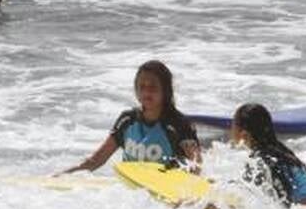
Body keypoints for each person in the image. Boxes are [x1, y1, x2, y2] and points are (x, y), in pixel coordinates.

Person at [62, 60, 203, 174]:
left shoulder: (179, 124)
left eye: (153, 87)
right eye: (142, 86)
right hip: (132, 193)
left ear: (165, 91)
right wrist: (61, 176)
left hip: (168, 191)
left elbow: (196, 165)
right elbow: (96, 161)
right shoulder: (127, 121)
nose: (146, 92)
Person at [231, 103, 306, 207]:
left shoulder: (258, 160)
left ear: (244, 133)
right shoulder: (284, 153)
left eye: (234, 125)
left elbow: (253, 198)